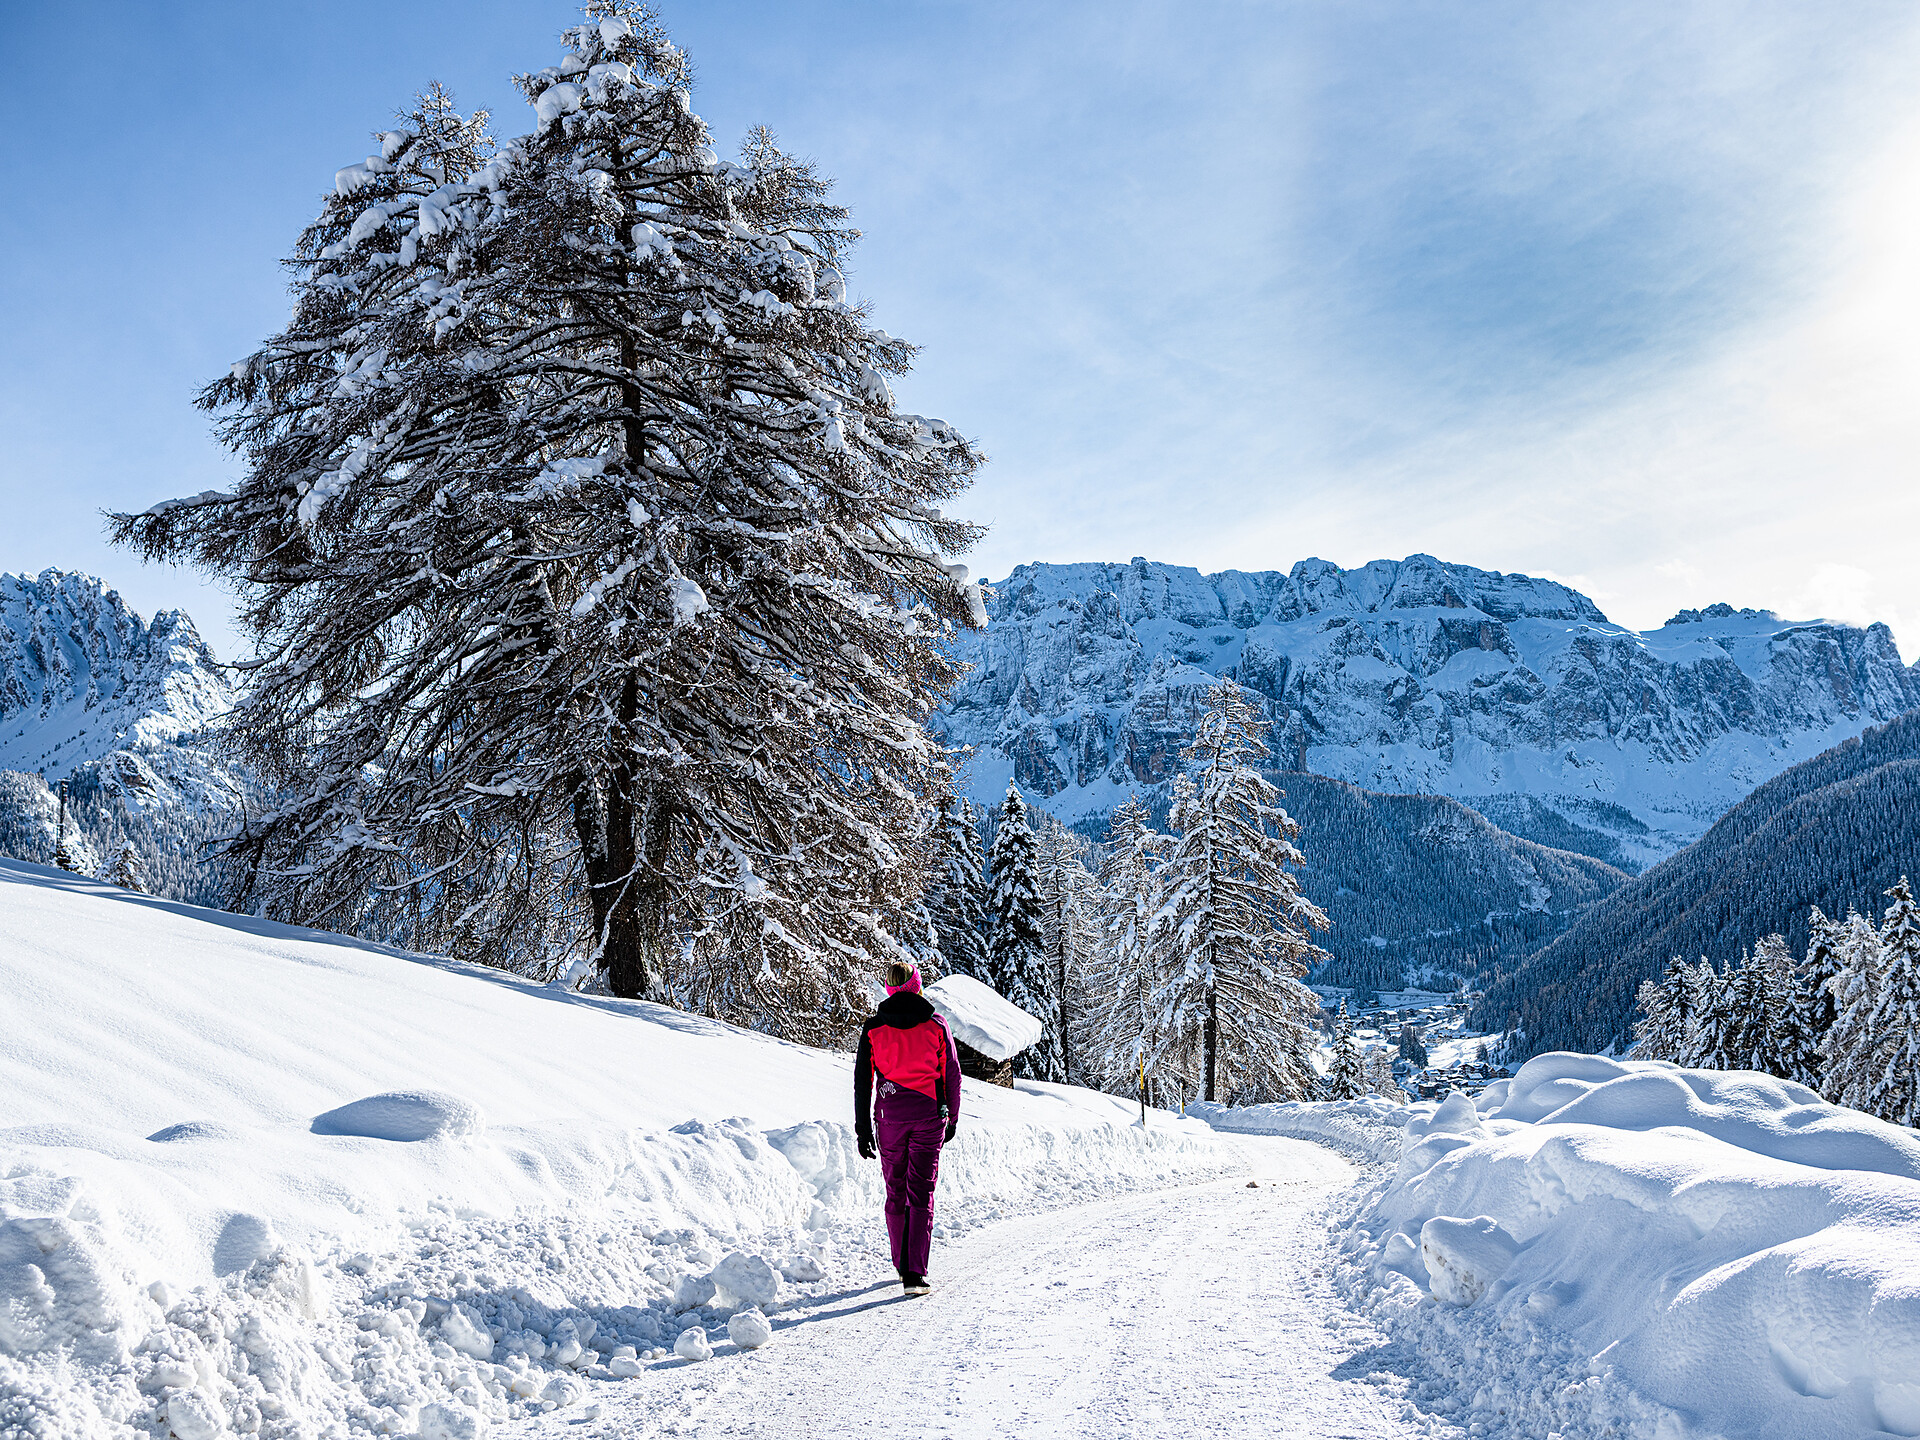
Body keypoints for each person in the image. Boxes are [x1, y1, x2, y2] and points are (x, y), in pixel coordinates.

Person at [854, 960, 961, 1296]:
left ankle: (901, 1262)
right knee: (921, 1191)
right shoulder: (936, 1025)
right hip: (929, 1117)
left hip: (889, 1119)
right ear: (916, 985)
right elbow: (952, 1076)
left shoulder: (874, 1030)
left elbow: (862, 1082)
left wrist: (862, 1129)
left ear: (888, 988)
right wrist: (952, 1118)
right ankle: (914, 1272)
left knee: (895, 1190)